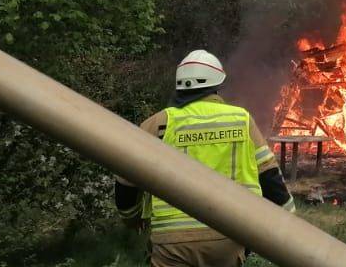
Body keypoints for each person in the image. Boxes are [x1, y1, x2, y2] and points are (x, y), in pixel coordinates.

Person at [114, 49, 295, 267]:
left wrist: (132, 219)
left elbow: (126, 182)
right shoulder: (241, 120)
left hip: (173, 243)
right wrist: (290, 224)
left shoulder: (157, 124)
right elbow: (270, 177)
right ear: (217, 84)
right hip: (229, 236)